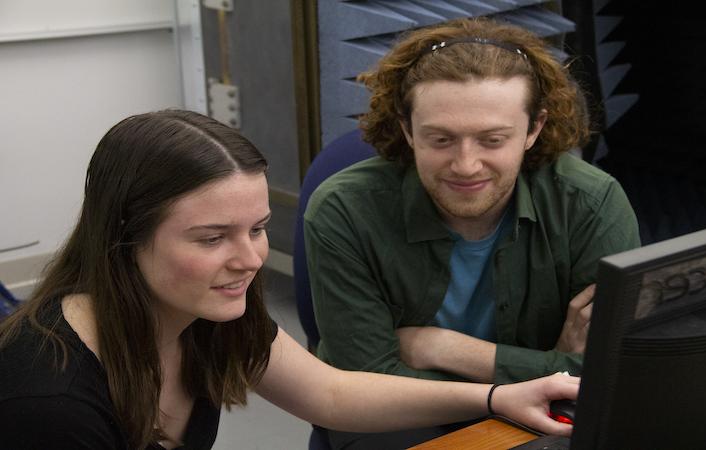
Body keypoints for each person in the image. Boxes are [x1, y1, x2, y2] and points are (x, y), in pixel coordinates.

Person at [0, 109, 579, 449]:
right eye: (211, 238)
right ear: (124, 237)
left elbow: (330, 394)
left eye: (257, 228)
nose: (250, 260)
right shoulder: (50, 399)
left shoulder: (206, 311)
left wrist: (499, 396)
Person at [303, 17, 641, 448]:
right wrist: (539, 371)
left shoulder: (591, 204)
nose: (466, 165)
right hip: (393, 415)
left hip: (537, 410)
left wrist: (443, 349)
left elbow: (611, 373)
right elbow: (368, 378)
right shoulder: (344, 209)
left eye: (492, 140)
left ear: (533, 129)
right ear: (408, 129)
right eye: (441, 140)